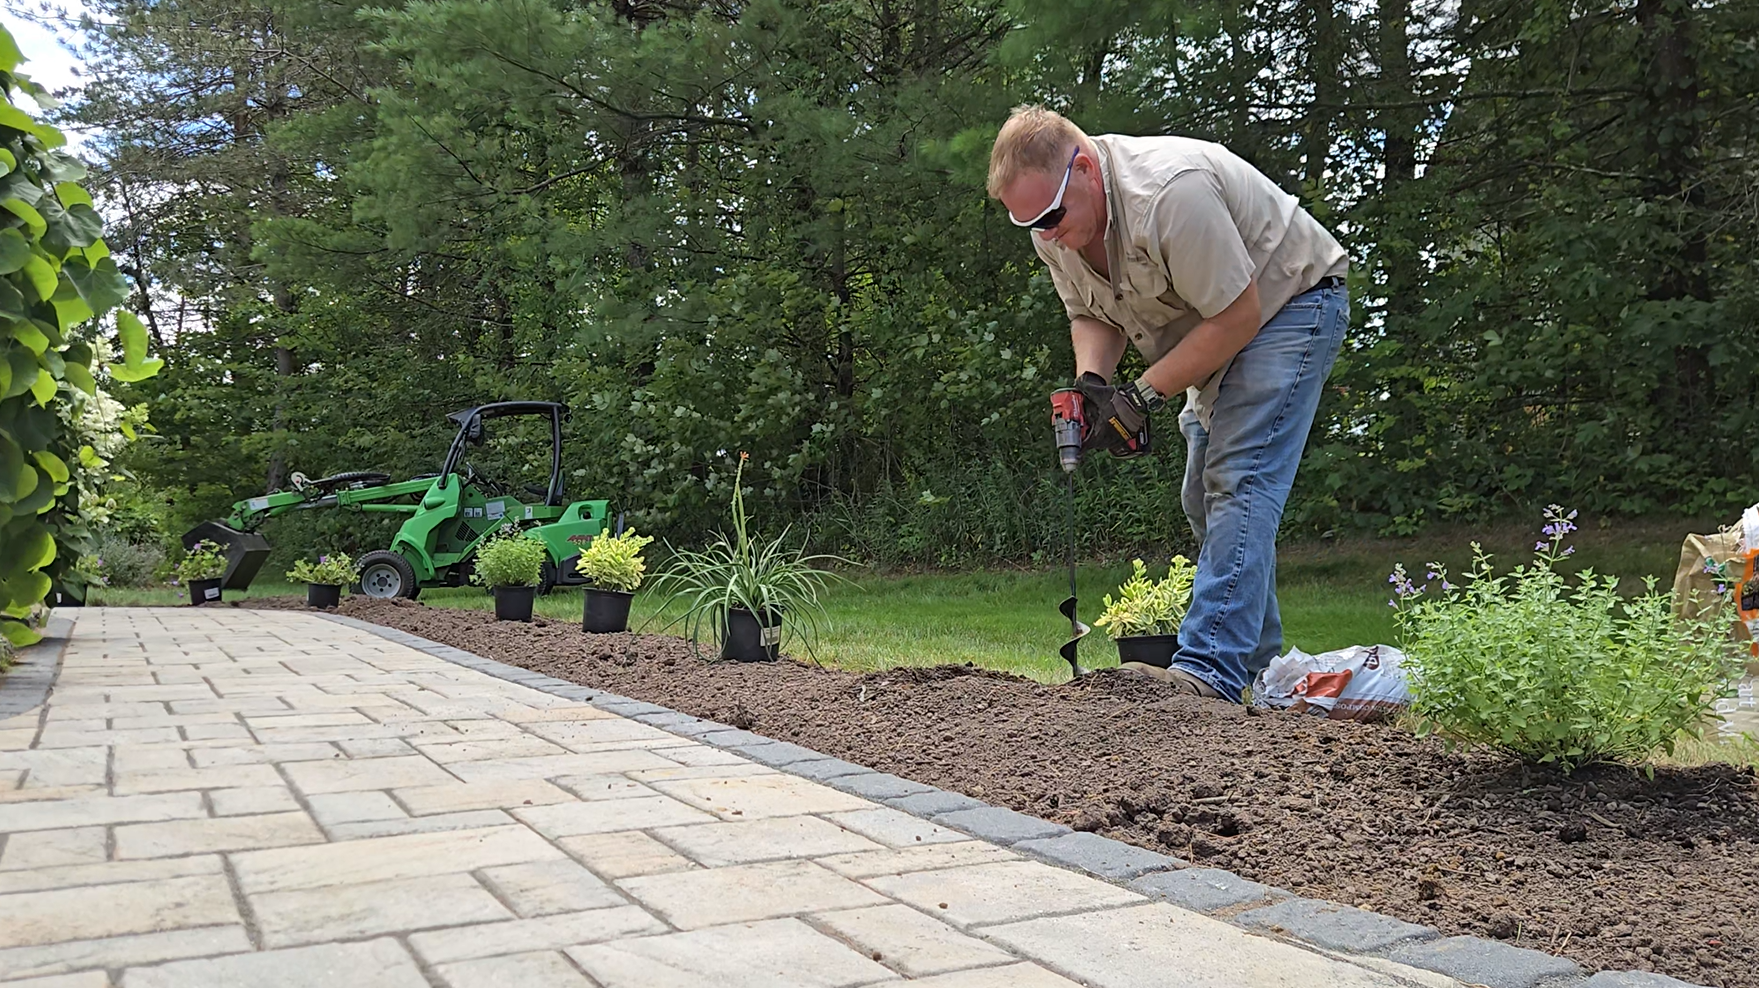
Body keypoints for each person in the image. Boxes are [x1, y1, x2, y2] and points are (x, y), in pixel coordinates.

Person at [988, 105, 1349, 701]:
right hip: (1216, 330)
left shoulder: (1169, 194)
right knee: (1201, 498)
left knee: (1239, 482)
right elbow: (1089, 313)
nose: (1045, 233)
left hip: (1289, 305)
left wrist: (1142, 393)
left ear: (1082, 168)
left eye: (1051, 215)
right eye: (1029, 224)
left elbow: (1240, 314)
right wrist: (1093, 387)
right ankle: (1265, 677)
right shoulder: (1053, 229)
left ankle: (1210, 672)